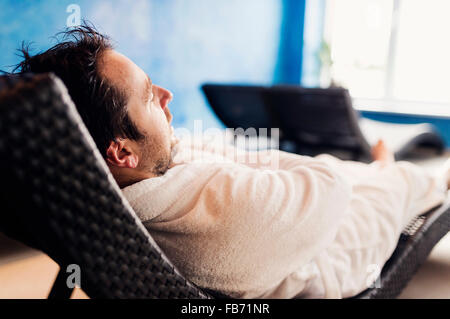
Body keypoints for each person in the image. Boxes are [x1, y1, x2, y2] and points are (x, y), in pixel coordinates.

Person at [14, 26, 449, 298]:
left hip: (302, 215)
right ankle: (408, 173)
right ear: (123, 152)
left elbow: (190, 149)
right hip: (336, 244)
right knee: (403, 181)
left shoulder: (88, 190)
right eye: (148, 95)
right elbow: (328, 188)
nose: (165, 95)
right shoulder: (216, 211)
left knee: (361, 171)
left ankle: (381, 166)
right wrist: (266, 164)